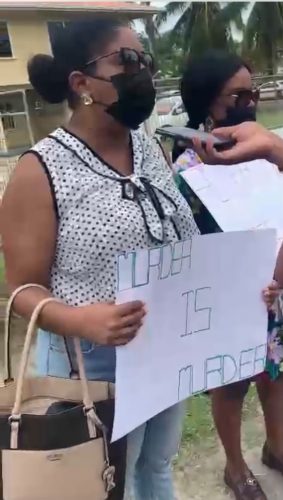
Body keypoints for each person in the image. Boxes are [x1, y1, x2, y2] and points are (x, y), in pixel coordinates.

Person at [0, 25, 276, 500]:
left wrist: (245, 286)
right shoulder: (39, 169)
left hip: (162, 351)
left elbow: (178, 247)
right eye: (126, 61)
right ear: (81, 84)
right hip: (90, 363)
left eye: (145, 62)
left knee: (155, 467)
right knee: (109, 483)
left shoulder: (147, 149)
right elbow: (22, 290)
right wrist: (80, 320)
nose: (143, 74)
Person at [173, 50, 283, 500]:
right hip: (226, 294)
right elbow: (187, 240)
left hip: (273, 289)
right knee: (232, 384)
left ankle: (277, 449)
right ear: (206, 103)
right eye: (238, 95)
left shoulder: (265, 149)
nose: (250, 102)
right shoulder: (186, 170)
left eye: (253, 92)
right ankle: (235, 469)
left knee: (274, 375)